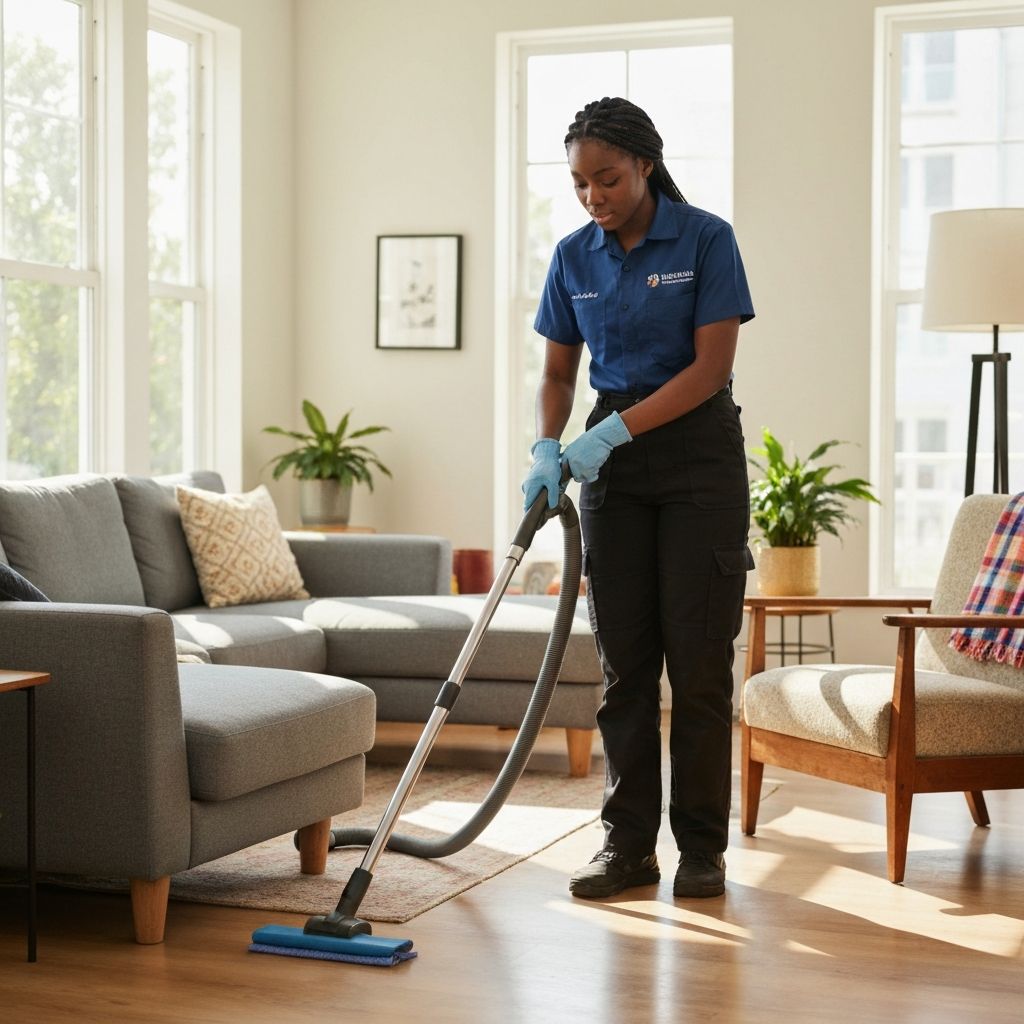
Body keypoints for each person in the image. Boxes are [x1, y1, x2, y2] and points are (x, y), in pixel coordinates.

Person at [522, 97, 755, 900]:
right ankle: (627, 849)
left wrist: (613, 434)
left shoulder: (705, 239)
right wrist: (550, 444)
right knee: (624, 670)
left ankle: (701, 851)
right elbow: (558, 372)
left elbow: (707, 371)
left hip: (697, 463)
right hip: (611, 476)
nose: (595, 197)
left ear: (645, 165)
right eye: (582, 184)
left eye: (609, 179)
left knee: (696, 668)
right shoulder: (573, 256)